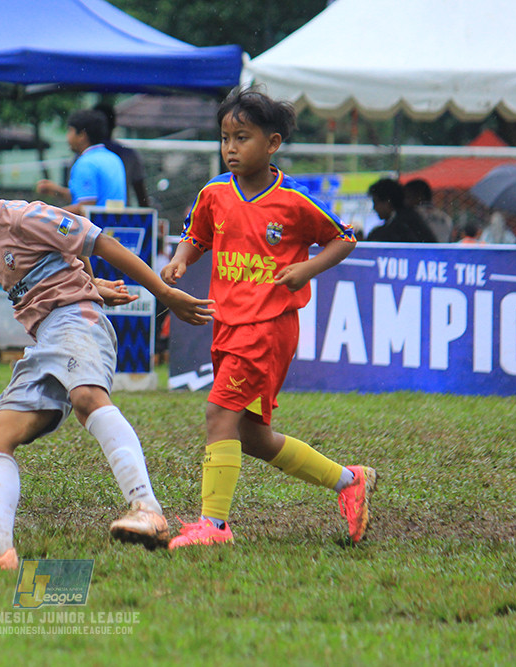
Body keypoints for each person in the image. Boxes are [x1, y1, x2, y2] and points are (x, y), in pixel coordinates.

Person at [0, 131, 214, 572]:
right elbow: (55, 268)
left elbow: (99, 242)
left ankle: (148, 509)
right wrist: (91, 283)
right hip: (43, 342)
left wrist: (164, 292)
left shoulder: (25, 217)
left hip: (76, 323)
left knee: (87, 398)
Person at [160, 86, 376, 550]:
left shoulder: (295, 200)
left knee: (218, 412)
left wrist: (307, 268)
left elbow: (345, 238)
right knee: (253, 437)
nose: (231, 148)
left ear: (272, 143)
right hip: (230, 324)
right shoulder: (213, 193)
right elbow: (196, 236)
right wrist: (181, 260)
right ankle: (349, 480)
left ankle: (213, 528)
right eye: (225, 138)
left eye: (242, 138)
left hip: (268, 327)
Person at [36, 109, 126, 215]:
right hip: (113, 227)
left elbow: (86, 207)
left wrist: (46, 214)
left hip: (94, 228)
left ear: (82, 135)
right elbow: (88, 197)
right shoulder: (114, 158)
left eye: (70, 131)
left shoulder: (86, 163)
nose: (67, 137)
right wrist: (57, 190)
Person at [93, 102, 150, 207]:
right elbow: (141, 194)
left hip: (90, 218)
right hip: (121, 217)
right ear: (114, 125)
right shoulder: (128, 154)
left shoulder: (85, 156)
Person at [366, 178, 436, 243]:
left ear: (387, 202)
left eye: (376, 203)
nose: (374, 208)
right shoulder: (408, 217)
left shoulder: (404, 223)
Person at [403, 178, 453, 243]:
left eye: (408, 197)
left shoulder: (411, 216)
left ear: (419, 196)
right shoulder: (446, 217)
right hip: (441, 252)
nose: (405, 202)